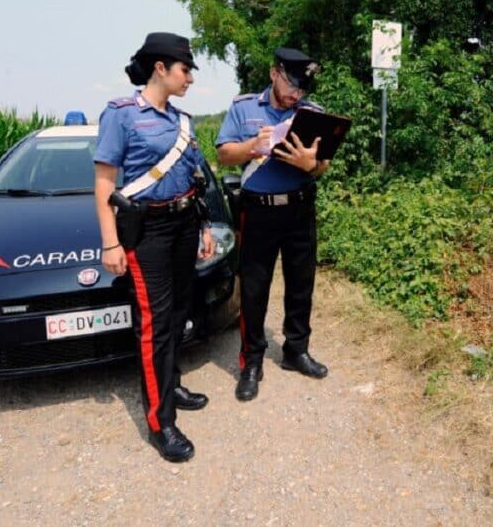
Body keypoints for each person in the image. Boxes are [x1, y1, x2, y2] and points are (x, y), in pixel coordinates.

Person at [93, 32, 214, 463]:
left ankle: (172, 383)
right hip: (148, 234)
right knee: (156, 324)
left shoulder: (183, 121)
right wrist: (111, 243)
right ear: (160, 68)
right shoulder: (122, 115)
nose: (191, 79)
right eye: (186, 70)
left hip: (184, 225)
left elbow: (195, 179)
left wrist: (202, 227)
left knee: (180, 310)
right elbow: (105, 185)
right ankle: (161, 422)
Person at [216, 47, 330, 402]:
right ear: (274, 73)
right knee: (253, 288)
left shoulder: (312, 114)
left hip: (299, 208)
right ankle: (252, 361)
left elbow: (322, 164)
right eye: (292, 84)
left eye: (302, 89)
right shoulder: (244, 107)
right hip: (258, 210)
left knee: (301, 284)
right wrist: (254, 145)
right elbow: (223, 154)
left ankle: (296, 350)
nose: (297, 94)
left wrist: (309, 164)